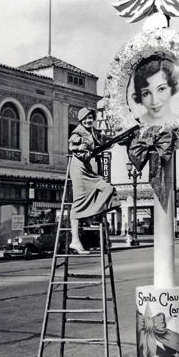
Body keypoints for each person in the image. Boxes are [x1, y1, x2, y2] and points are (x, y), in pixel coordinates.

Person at [68, 107, 120, 254]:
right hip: (78, 169)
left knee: (108, 189)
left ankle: (91, 213)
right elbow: (76, 149)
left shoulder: (92, 132)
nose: (89, 120)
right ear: (81, 120)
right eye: (86, 118)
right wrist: (89, 152)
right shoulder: (78, 132)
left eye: (91, 118)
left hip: (88, 168)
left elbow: (103, 142)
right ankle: (75, 241)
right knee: (78, 202)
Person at [131, 54, 179, 126]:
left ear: (172, 87)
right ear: (139, 96)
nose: (154, 101)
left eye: (161, 89)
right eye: (146, 93)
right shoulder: (133, 125)